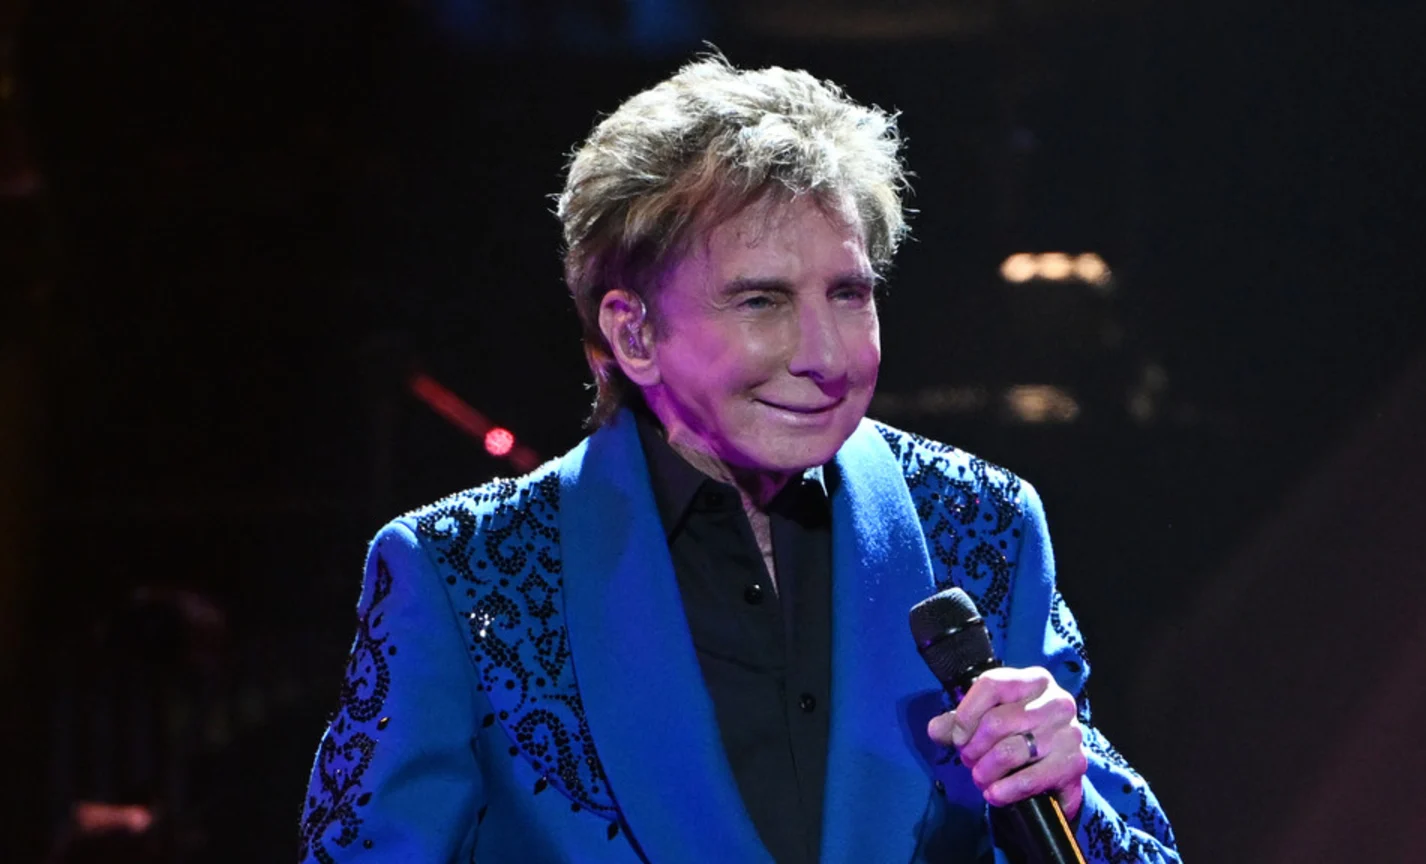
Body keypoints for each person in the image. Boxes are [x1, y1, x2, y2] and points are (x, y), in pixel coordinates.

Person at [297, 55, 1179, 863]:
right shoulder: (463, 574)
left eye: (849, 293)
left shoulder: (982, 526)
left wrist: (1064, 796)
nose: (826, 355)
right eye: (761, 301)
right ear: (634, 332)